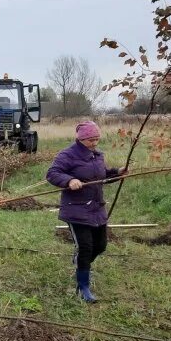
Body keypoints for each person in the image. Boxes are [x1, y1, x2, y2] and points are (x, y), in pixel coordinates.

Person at [46, 121, 126, 303]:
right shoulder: (68, 155)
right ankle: (83, 287)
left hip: (96, 208)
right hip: (76, 210)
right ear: (80, 139)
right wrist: (69, 180)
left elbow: (101, 177)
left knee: (100, 246)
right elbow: (52, 173)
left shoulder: (96, 155)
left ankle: (82, 264)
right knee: (86, 247)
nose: (95, 143)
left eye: (97, 139)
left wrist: (117, 173)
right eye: (91, 140)